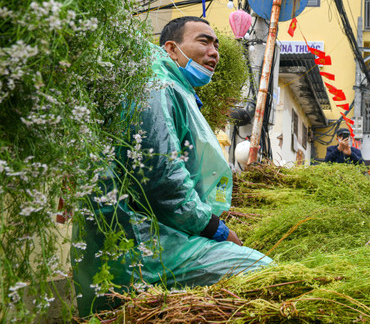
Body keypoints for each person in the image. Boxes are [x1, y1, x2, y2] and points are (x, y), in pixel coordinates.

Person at [72, 16, 272, 316]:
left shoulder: (175, 90)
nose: (214, 52)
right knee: (261, 271)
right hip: (143, 244)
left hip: (160, 235)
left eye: (217, 45)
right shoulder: (157, 88)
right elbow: (162, 177)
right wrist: (213, 227)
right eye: (204, 41)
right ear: (171, 48)